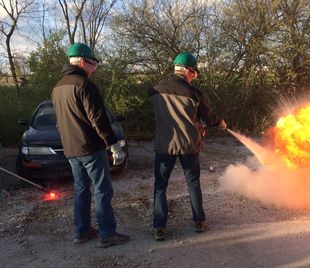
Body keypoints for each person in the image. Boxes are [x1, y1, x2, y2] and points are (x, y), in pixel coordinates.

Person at [52, 43, 130, 248]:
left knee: (81, 189)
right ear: (82, 61)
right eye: (93, 65)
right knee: (102, 189)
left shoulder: (58, 87)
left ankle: (82, 231)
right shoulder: (85, 85)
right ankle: (107, 234)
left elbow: (59, 123)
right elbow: (99, 120)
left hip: (71, 149)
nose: (94, 70)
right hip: (90, 148)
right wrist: (114, 146)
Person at [149, 51, 227, 241]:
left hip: (164, 145)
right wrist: (220, 123)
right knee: (193, 184)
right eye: (194, 73)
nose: (194, 77)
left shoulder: (155, 90)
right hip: (188, 145)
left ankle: (159, 227)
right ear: (188, 71)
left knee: (160, 186)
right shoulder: (195, 93)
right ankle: (199, 222)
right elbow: (209, 117)